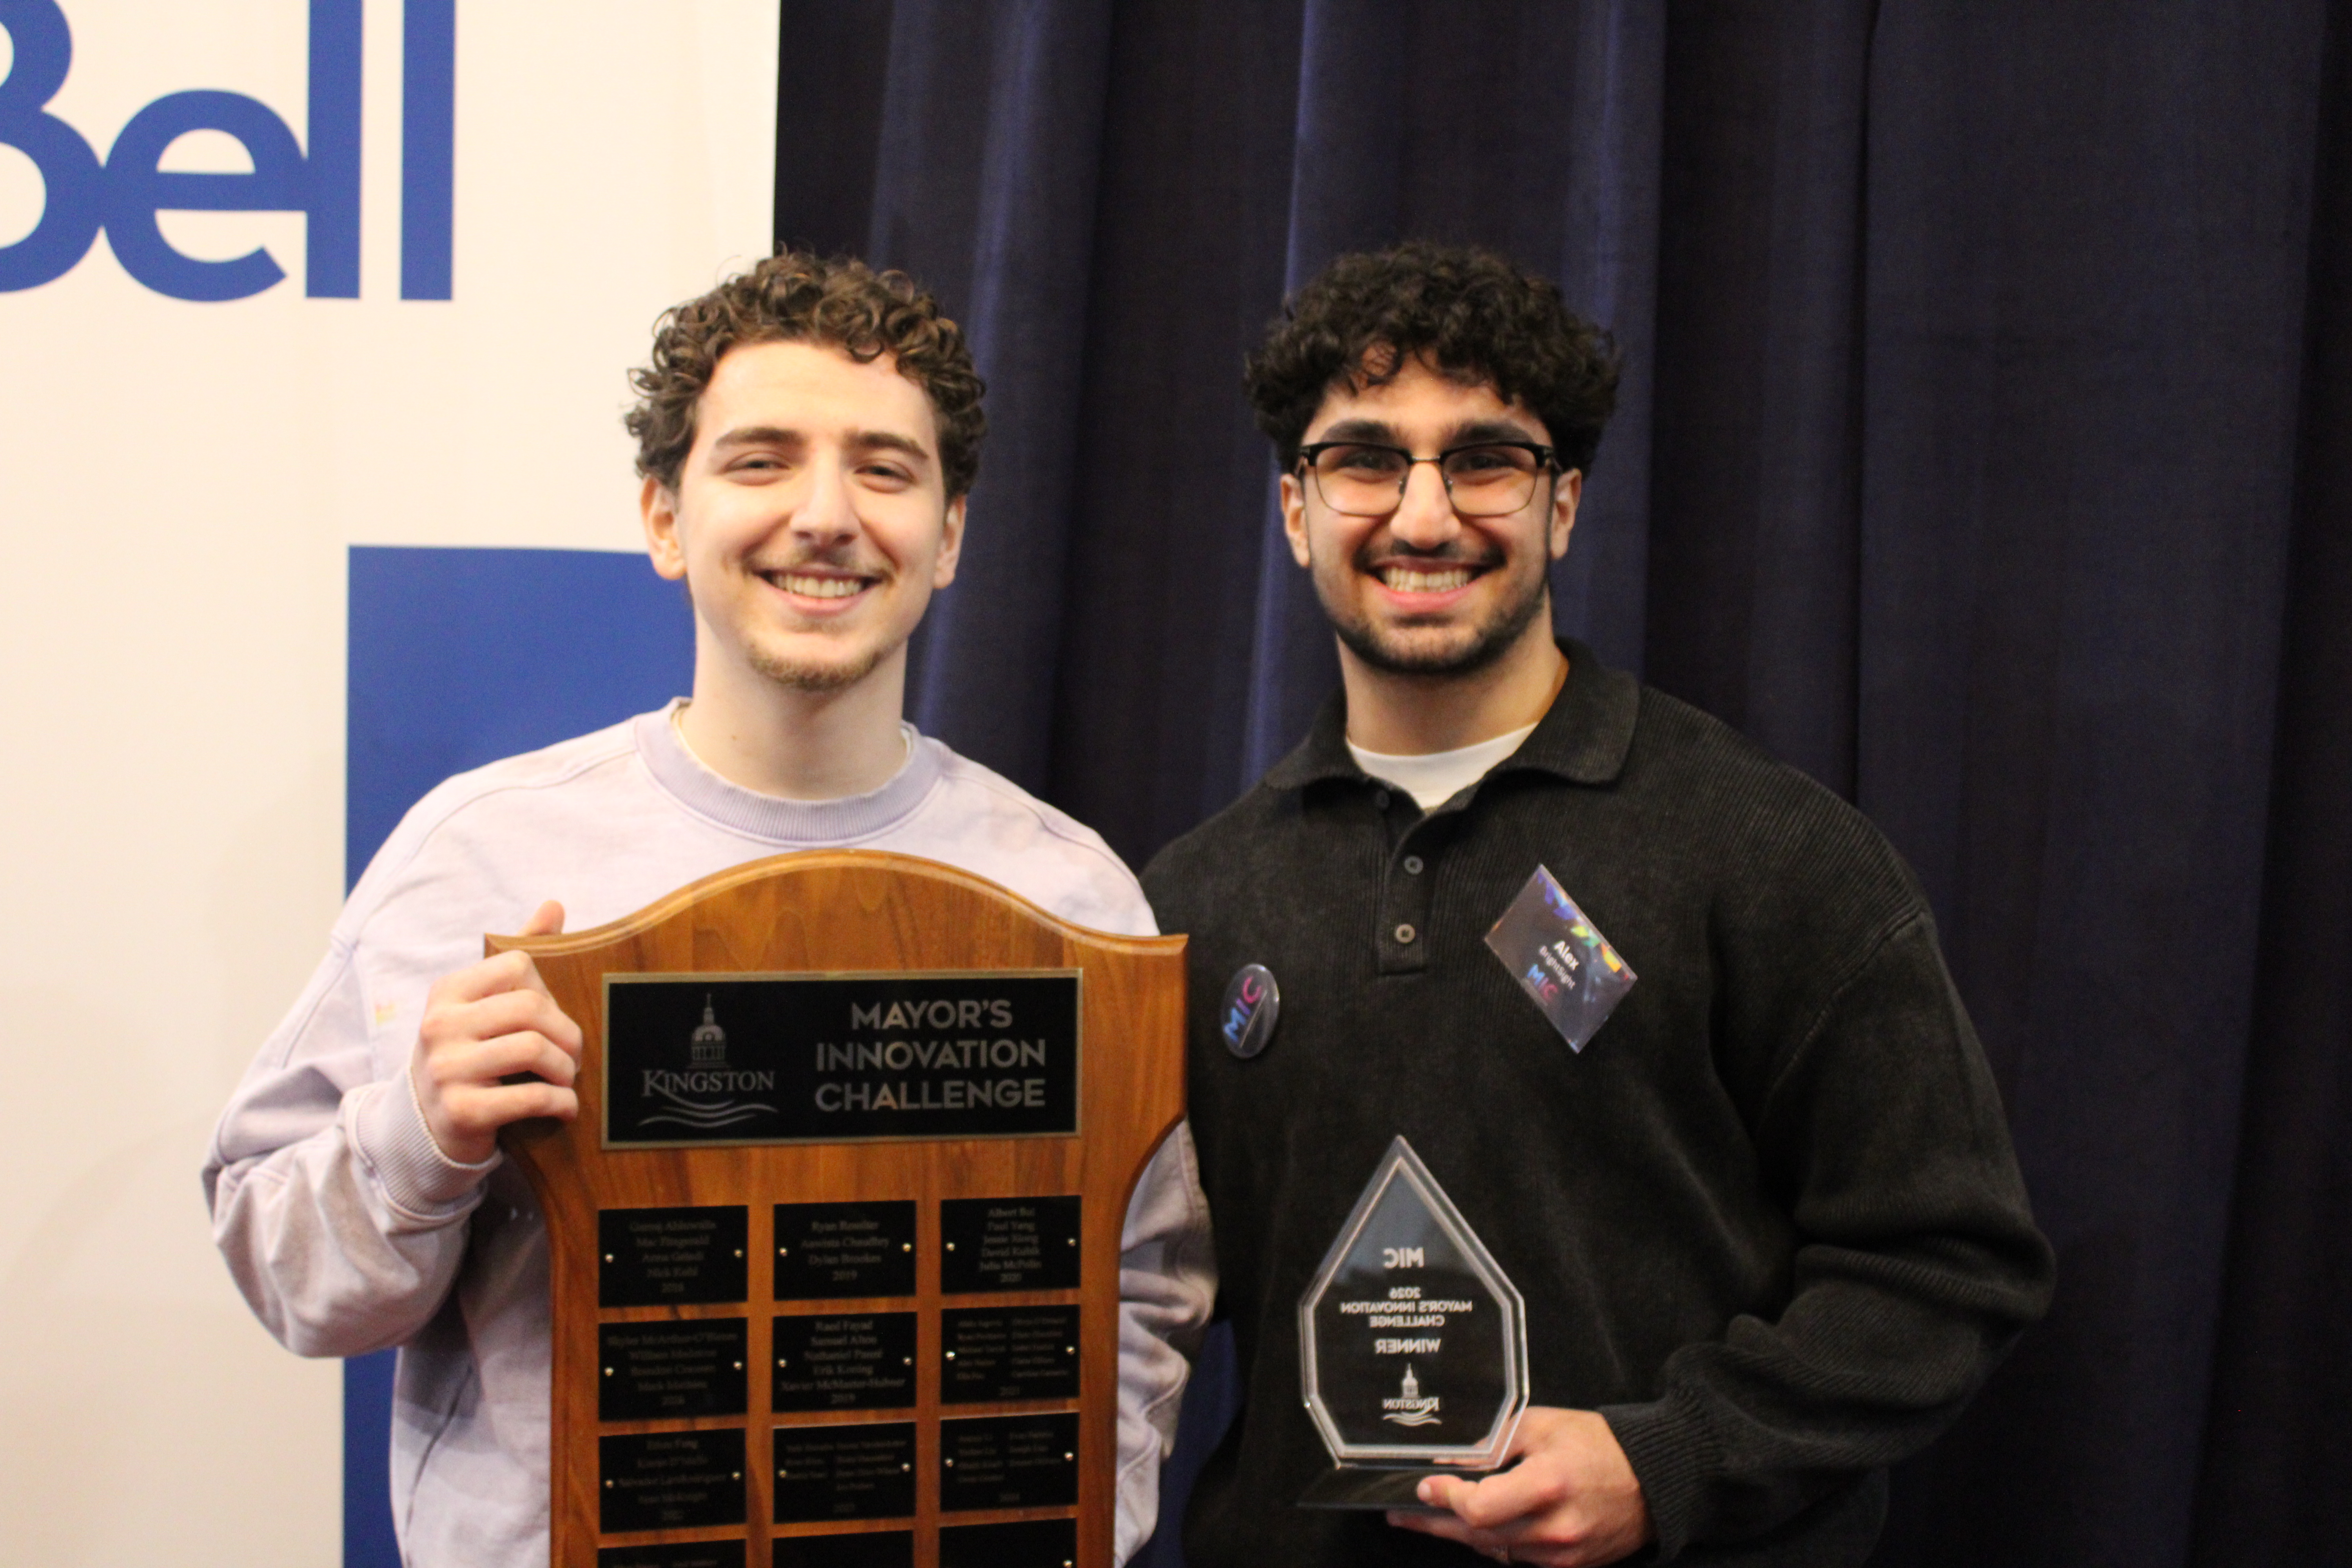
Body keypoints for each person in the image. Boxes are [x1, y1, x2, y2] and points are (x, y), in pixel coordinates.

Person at [205, 251, 1213, 1568]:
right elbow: (291, 1280)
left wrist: (1080, 1516)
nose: (826, 516)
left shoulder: (1070, 898)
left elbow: (1146, 1285)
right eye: (761, 461)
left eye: (885, 470)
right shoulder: (482, 855)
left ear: (951, 535)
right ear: (666, 519)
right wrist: (422, 1131)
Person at [1140, 242, 2054, 1567]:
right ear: (1296, 511)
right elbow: (1136, 1301)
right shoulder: (1190, 900)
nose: (1424, 516)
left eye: (1486, 460)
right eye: (1366, 461)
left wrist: (1674, 1459)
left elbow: (1950, 1264)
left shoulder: (1769, 851)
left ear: (1562, 504)